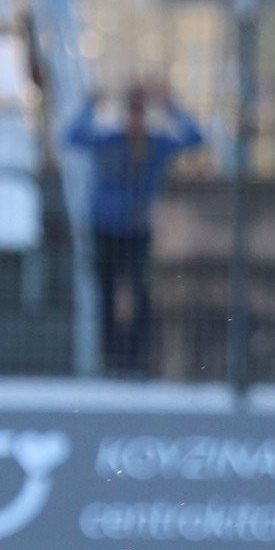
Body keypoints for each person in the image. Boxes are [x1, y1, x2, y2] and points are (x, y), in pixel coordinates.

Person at [64, 82, 205, 377]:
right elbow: (71, 137)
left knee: (141, 296)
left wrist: (171, 106)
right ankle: (110, 359)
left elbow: (196, 139)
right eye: (131, 113)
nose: (135, 120)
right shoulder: (110, 142)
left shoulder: (156, 145)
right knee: (106, 295)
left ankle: (135, 359)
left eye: (140, 113)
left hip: (137, 230)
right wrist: (91, 104)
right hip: (105, 228)